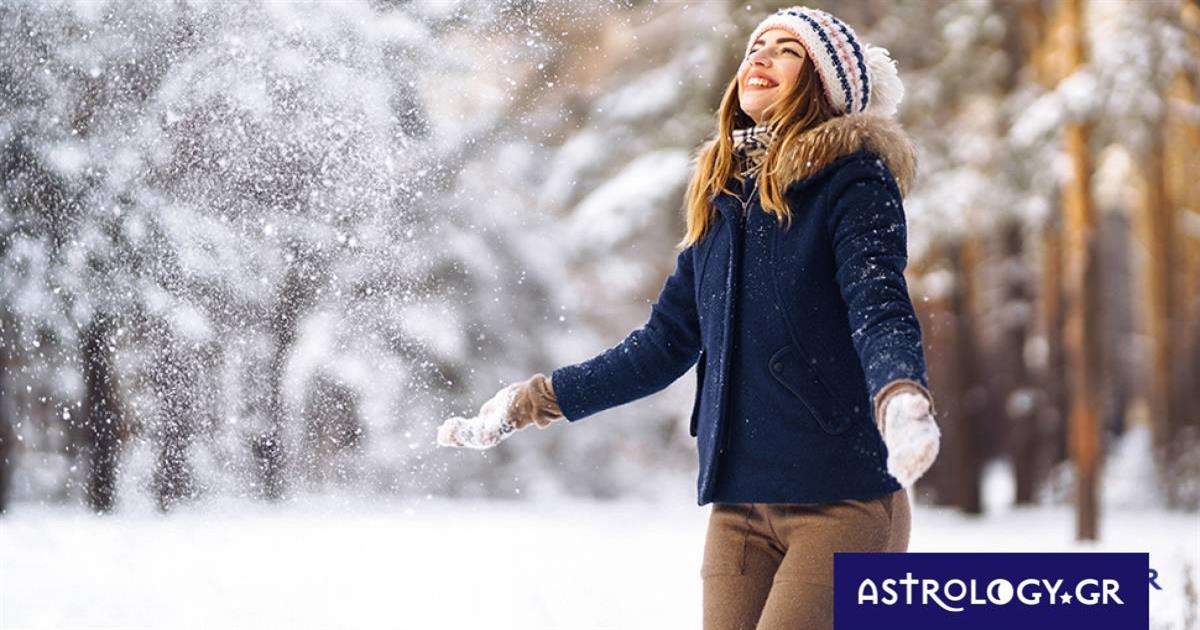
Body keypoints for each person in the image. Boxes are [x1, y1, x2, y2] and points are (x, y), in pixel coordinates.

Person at [436, 5, 941, 628]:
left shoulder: (852, 181)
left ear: (823, 83)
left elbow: (879, 303)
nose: (759, 57)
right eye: (757, 46)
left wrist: (900, 396)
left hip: (843, 498)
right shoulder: (723, 198)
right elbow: (662, 345)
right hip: (739, 504)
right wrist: (534, 400)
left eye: (787, 50)